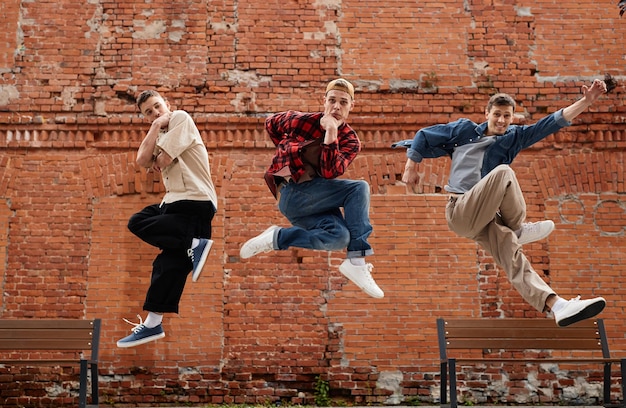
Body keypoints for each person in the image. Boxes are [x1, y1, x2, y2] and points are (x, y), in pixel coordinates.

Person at [399, 79, 608, 327]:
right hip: (460, 209)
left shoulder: (514, 137)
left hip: (484, 217)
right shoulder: (463, 130)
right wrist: (411, 166)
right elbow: (423, 135)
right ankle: (517, 228)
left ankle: (557, 305)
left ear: (512, 118)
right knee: (503, 172)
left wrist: (586, 101)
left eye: (507, 116)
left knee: (513, 257)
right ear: (487, 114)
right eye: (497, 115)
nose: (501, 121)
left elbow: (550, 123)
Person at [239, 78, 384, 299]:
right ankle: (357, 259)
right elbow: (270, 124)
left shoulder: (350, 141)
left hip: (315, 199)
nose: (336, 106)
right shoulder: (298, 120)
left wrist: (331, 134)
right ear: (324, 101)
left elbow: (329, 172)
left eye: (343, 102)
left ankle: (277, 237)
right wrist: (287, 155)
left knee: (339, 238)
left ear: (351, 106)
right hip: (290, 191)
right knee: (358, 188)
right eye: (332, 100)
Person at [117, 90, 218, 348]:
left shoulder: (182, 119)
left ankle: (196, 241)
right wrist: (153, 128)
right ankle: (153, 323)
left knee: (140, 224)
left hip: (194, 203)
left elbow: (161, 159)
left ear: (167, 105)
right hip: (173, 207)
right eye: (148, 112)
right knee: (167, 264)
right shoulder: (159, 130)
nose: (156, 113)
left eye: (157, 107)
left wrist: (156, 153)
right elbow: (142, 160)